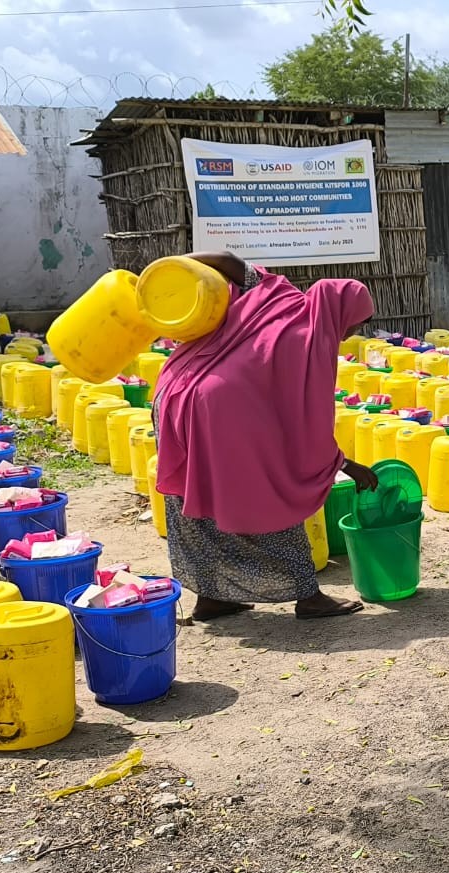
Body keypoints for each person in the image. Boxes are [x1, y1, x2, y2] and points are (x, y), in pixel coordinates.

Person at [153, 252, 379, 622]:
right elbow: (303, 433)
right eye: (354, 325)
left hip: (175, 393)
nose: (350, 334)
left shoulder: (277, 294)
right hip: (222, 410)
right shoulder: (312, 338)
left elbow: (227, 259)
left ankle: (212, 597)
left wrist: (171, 264)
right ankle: (308, 597)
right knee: (274, 490)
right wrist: (346, 465)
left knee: (197, 496)